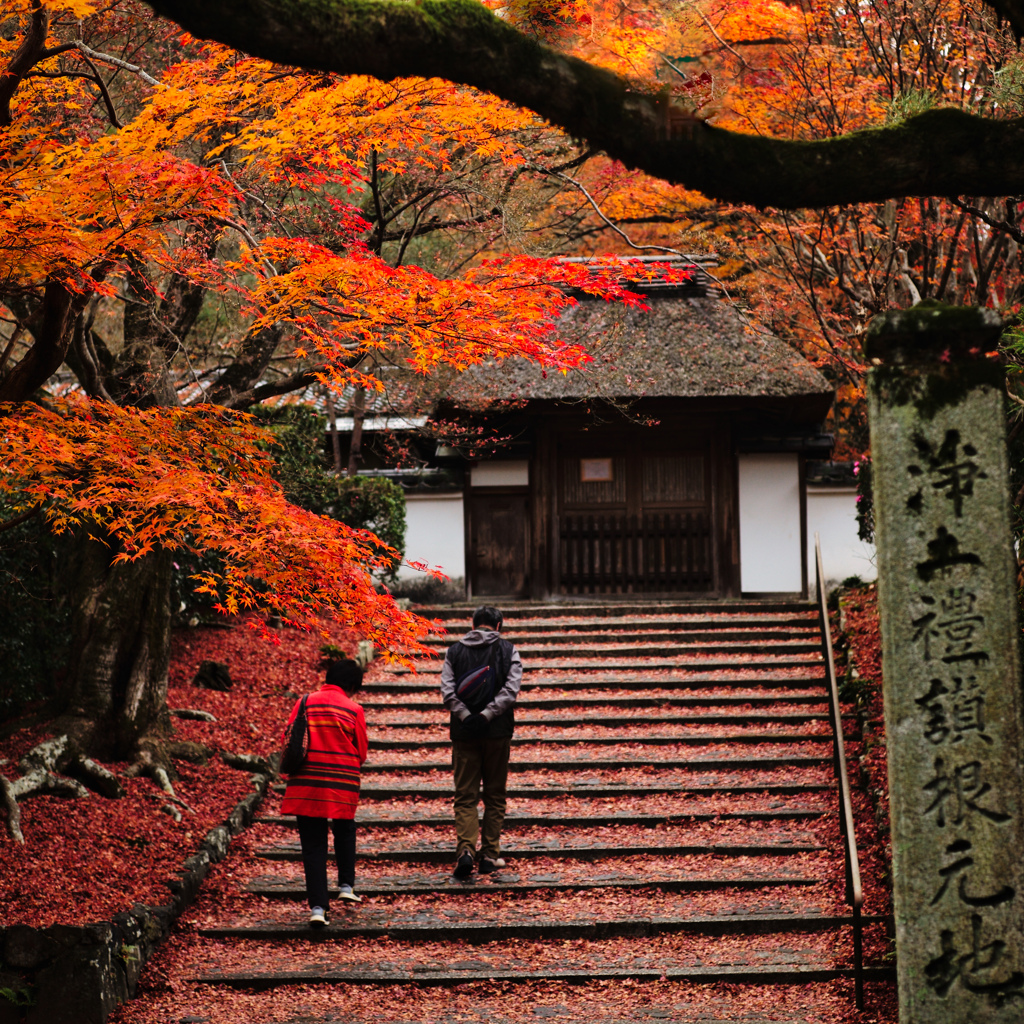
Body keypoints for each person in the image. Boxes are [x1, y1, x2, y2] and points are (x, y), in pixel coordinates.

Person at [280, 658, 368, 927]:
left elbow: (290, 736)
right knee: (344, 829)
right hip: (342, 783)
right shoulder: (354, 709)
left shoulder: (304, 701)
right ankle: (345, 886)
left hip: (306, 783)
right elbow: (361, 752)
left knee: (313, 844)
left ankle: (318, 908)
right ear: (352, 685)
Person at [440, 604, 523, 879]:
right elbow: (511, 690)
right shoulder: (508, 650)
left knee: (465, 796)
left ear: (473, 624)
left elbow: (447, 691)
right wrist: (488, 715)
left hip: (464, 733)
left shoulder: (454, 651)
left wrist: (466, 716)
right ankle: (489, 854)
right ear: (498, 626)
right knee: (495, 795)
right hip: (497, 731)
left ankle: (465, 850)